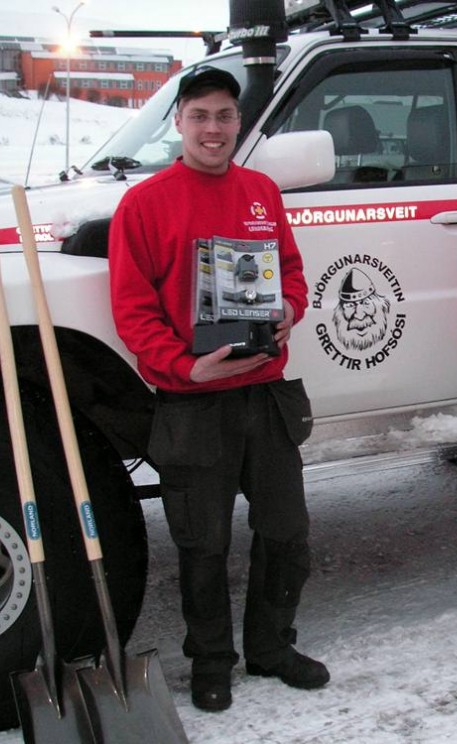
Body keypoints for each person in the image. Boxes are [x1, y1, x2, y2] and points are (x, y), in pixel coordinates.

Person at [108, 66, 329, 712]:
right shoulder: (144, 205)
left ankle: (270, 644)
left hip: (265, 394)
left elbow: (290, 272)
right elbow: (133, 309)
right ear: (179, 122)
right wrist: (183, 365)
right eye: (200, 115)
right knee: (202, 543)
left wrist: (290, 307)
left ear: (239, 123)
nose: (213, 128)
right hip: (194, 399)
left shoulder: (261, 191)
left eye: (224, 116)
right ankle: (211, 660)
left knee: (287, 532)